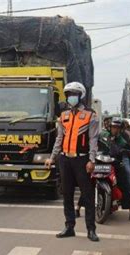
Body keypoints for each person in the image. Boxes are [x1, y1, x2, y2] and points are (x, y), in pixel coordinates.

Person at [45, 82, 100, 242]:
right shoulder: (64, 116)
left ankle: (91, 229)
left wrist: (91, 160)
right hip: (65, 159)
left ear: (81, 95)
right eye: (69, 94)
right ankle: (69, 226)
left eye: (74, 94)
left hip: (82, 159)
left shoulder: (90, 115)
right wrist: (52, 157)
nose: (71, 97)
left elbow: (93, 139)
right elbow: (59, 139)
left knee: (87, 194)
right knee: (67, 194)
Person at [99, 118, 130, 222]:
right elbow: (94, 144)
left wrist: (129, 151)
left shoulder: (122, 140)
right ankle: (79, 207)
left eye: (117, 128)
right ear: (109, 127)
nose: (115, 129)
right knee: (87, 180)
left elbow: (126, 149)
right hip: (102, 162)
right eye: (113, 127)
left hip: (115, 163)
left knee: (125, 182)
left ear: (120, 129)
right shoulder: (103, 135)